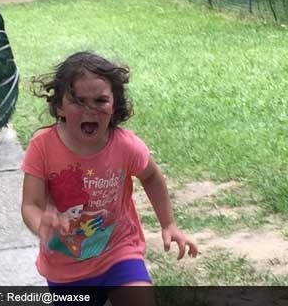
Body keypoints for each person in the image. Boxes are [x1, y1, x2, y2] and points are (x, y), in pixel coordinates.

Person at [20, 51, 198, 305]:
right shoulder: (43, 147)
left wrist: (169, 224)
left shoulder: (126, 146)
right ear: (59, 105)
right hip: (66, 265)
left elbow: (152, 177)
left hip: (119, 252)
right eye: (78, 101)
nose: (89, 110)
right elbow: (30, 204)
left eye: (100, 100)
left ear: (115, 106)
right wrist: (42, 224)